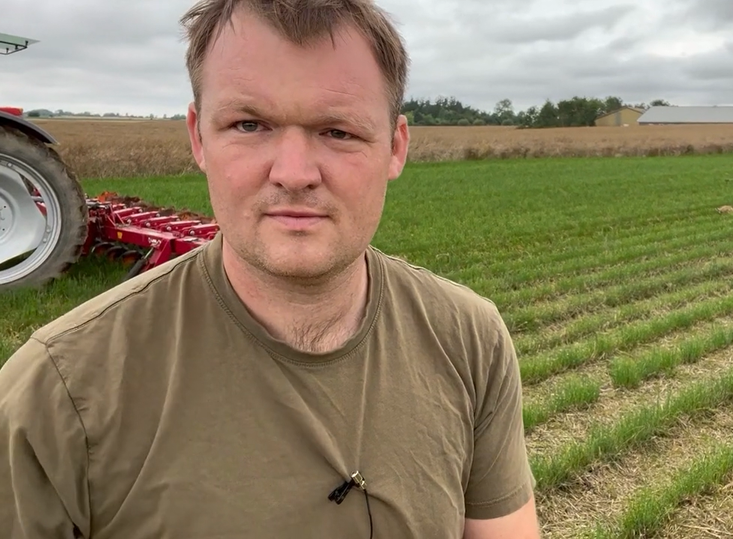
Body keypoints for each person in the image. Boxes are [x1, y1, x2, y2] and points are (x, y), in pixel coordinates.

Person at [0, 0, 540, 537]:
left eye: (338, 131)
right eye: (250, 124)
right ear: (198, 137)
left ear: (396, 147)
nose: (295, 173)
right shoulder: (57, 394)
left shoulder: (468, 339)